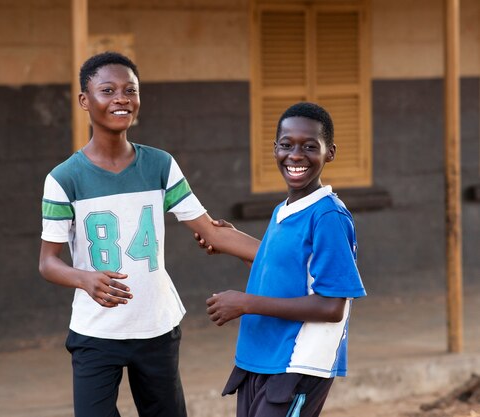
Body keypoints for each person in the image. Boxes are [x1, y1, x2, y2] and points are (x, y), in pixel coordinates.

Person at [38, 51, 256, 417]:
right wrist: (85, 279)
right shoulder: (64, 179)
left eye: (130, 90)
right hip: (96, 331)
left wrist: (285, 256)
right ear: (84, 100)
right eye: (107, 90)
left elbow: (212, 233)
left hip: (156, 325)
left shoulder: (159, 165)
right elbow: (48, 262)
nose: (121, 98)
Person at [195, 102, 367, 417]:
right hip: (260, 356)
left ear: (330, 153)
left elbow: (331, 306)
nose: (296, 155)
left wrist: (245, 303)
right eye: (287, 145)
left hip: (297, 361)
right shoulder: (284, 209)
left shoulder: (328, 215)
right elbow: (282, 271)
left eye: (310, 146)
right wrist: (231, 241)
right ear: (275, 149)